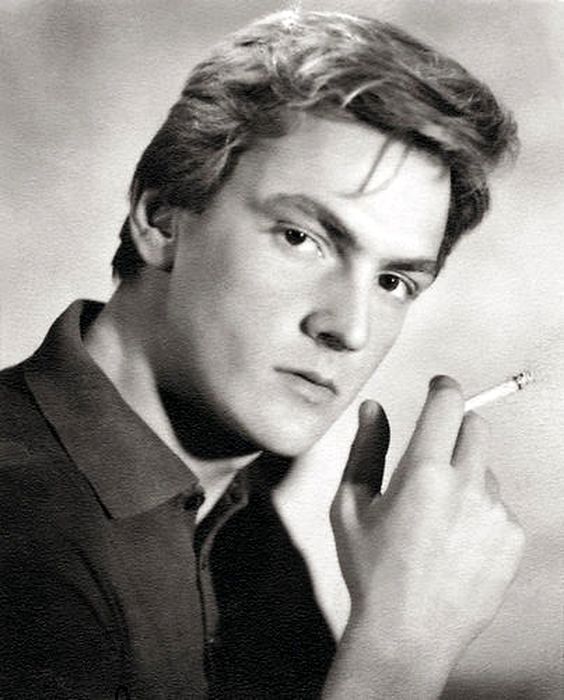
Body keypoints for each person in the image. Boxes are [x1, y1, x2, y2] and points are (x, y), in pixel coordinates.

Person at [0, 9, 524, 699]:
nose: (350, 328)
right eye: (301, 238)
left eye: (393, 281)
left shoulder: (240, 514)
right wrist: (400, 649)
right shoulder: (20, 531)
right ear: (163, 219)